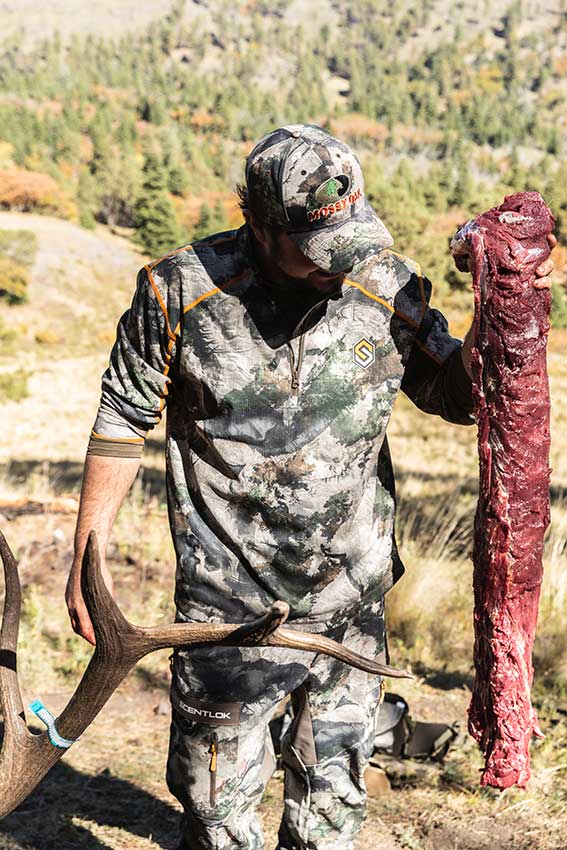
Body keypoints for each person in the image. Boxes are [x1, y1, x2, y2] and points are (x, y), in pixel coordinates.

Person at [66, 124, 555, 850]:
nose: (338, 266)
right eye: (316, 249)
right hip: (225, 615)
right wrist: (88, 555)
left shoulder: (384, 282)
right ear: (261, 225)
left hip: (351, 608)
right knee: (215, 813)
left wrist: (502, 311)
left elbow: (456, 396)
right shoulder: (177, 291)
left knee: (331, 808)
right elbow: (121, 416)